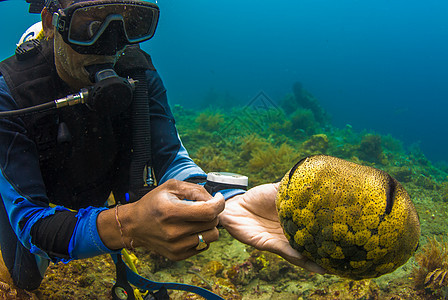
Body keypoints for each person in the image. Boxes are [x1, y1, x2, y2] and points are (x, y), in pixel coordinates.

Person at [0, 0, 324, 292]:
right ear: (50, 20)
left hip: (97, 188)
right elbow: (33, 224)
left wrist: (231, 200)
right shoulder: (9, 93)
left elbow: (171, 157)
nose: (111, 45)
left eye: (130, 23)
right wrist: (126, 224)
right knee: (27, 279)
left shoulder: (138, 73)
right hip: (39, 194)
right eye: (90, 26)